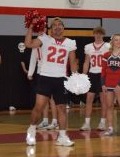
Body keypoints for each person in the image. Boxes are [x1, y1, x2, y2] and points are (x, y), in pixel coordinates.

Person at [24, 17, 78, 147]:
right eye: (54, 25)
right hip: (45, 78)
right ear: (51, 28)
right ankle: (31, 130)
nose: (57, 27)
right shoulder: (44, 39)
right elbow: (28, 44)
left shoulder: (70, 43)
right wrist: (31, 28)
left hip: (61, 79)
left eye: (60, 24)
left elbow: (72, 62)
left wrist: (75, 78)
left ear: (64, 28)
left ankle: (62, 136)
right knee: (39, 107)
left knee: (62, 109)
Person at [80, 26, 110, 131]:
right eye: (96, 33)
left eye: (100, 33)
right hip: (92, 74)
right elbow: (86, 62)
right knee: (89, 99)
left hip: (103, 75)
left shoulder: (107, 46)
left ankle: (102, 123)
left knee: (103, 100)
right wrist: (83, 76)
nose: (98, 35)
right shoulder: (88, 47)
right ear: (93, 34)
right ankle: (87, 123)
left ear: (103, 34)